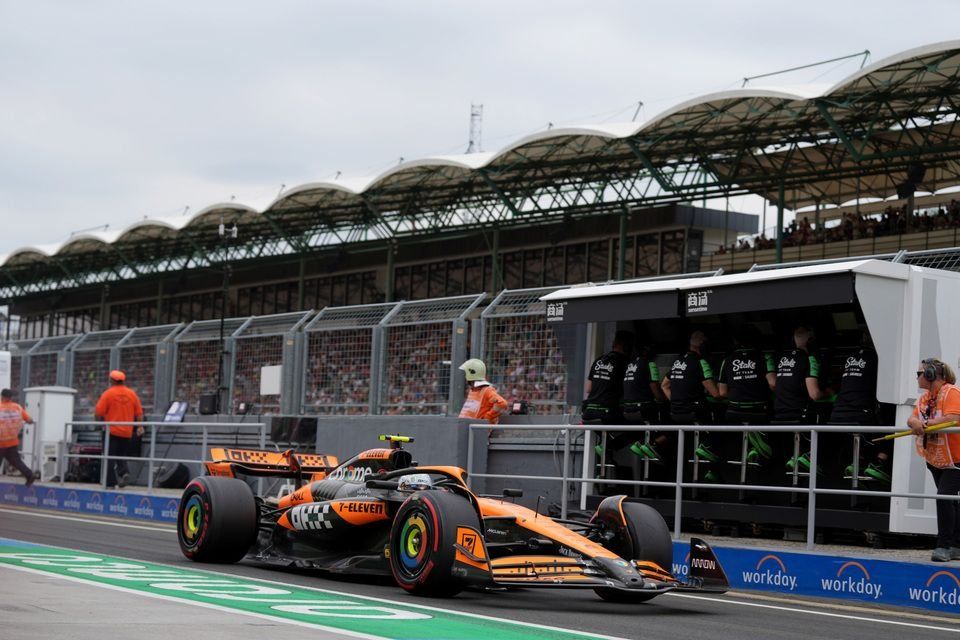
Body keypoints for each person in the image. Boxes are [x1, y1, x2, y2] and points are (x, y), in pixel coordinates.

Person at [907, 358, 960, 562]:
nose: (917, 377)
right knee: (952, 501)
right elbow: (911, 418)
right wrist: (915, 423)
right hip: (935, 458)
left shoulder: (952, 392)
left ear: (930, 374)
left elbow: (953, 418)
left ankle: (944, 546)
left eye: (919, 373)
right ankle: (956, 544)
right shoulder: (926, 397)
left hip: (955, 458)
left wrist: (926, 423)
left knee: (945, 497)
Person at [661, 330, 722, 474]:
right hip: (695, 413)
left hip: (676, 413)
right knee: (721, 422)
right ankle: (708, 456)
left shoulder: (678, 362)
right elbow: (716, 394)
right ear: (702, 344)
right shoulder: (701, 362)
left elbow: (664, 386)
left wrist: (677, 401)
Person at [830, 333, 888, 483]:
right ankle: (879, 464)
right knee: (893, 422)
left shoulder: (849, 357)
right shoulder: (878, 358)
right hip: (859, 415)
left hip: (836, 415)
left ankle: (859, 463)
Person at [774, 326, 829, 473]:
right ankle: (808, 456)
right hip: (799, 415)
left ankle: (796, 458)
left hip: (779, 415)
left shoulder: (782, 359)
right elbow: (814, 394)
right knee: (827, 423)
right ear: (811, 341)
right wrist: (828, 394)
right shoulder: (810, 359)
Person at [718, 328, 776, 463]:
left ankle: (754, 446)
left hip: (734, 411)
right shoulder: (765, 357)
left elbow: (722, 392)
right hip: (759, 410)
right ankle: (759, 445)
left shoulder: (727, 360)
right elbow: (773, 384)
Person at [94, 370, 144, 488]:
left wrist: (97, 424)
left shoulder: (108, 394)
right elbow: (139, 413)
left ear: (111, 380)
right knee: (121, 455)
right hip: (127, 432)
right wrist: (140, 426)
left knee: (109, 457)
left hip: (111, 431)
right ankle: (124, 472)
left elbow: (98, 412)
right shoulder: (132, 394)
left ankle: (111, 483)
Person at [623, 345, 666, 460]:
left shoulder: (629, 365)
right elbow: (655, 388)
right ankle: (651, 445)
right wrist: (664, 400)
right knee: (670, 427)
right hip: (643, 409)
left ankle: (642, 444)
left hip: (627, 410)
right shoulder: (650, 364)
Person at [0, 389, 38, 486]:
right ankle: (29, 474)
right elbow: (29, 420)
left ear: (2, 397)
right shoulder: (17, 407)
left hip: (1, 442)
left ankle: (29, 475)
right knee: (16, 461)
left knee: (15, 461)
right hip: (12, 441)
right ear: (11, 397)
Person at [458, 359, 508, 424]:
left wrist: (487, 417)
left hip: (477, 430)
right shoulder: (473, 390)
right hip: (467, 427)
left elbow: (502, 403)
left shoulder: (486, 390)